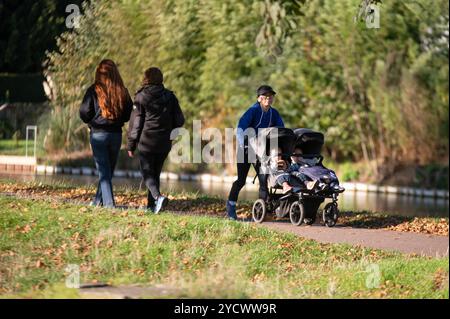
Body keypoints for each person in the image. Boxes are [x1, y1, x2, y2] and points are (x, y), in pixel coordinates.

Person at [127, 67, 185, 214]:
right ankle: (152, 207)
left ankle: (158, 197)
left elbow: (136, 124)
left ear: (146, 79)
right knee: (155, 173)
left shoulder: (141, 97)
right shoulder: (170, 97)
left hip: (146, 142)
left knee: (146, 172)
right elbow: (180, 120)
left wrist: (131, 144)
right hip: (164, 142)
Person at [80, 59, 133, 208]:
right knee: (107, 172)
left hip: (98, 135)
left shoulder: (93, 90)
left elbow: (84, 112)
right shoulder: (122, 91)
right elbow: (128, 114)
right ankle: (98, 202)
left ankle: (109, 206)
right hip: (115, 135)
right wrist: (117, 120)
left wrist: (92, 121)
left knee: (104, 172)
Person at [226, 85, 285, 220]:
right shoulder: (252, 111)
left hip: (262, 150)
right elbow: (240, 128)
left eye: (271, 97)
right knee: (241, 180)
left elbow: (281, 130)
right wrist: (243, 144)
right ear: (259, 98)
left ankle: (260, 212)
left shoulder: (274, 113)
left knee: (263, 180)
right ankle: (231, 205)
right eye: (265, 97)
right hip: (246, 149)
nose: (268, 99)